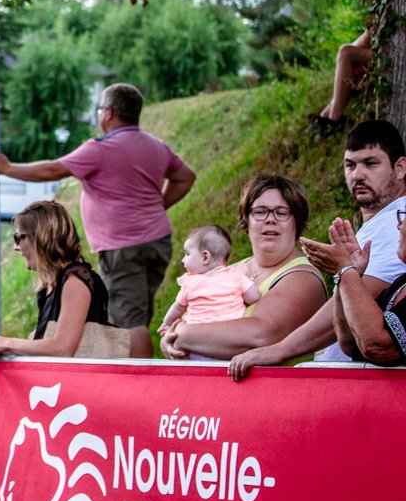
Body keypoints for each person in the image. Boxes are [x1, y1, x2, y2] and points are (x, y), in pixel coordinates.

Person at [0, 83, 197, 357]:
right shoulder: (155, 145)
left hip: (124, 245)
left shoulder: (102, 148)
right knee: (138, 310)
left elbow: (54, 169)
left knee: (129, 322)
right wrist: (156, 208)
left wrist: (7, 168)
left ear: (107, 113)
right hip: (157, 242)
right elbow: (185, 177)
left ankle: (139, 379)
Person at [227, 121, 406, 377]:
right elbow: (347, 313)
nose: (357, 175)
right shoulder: (379, 223)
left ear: (400, 168)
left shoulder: (395, 224)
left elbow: (364, 310)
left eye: (371, 163)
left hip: (363, 388)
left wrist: (281, 349)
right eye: (350, 165)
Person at [159, 175, 327, 365]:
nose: (270, 219)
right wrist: (168, 341)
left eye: (281, 212)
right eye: (260, 211)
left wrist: (181, 333)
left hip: (276, 390)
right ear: (246, 220)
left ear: (297, 221)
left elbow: (260, 336)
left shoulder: (303, 278)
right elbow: (188, 314)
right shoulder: (233, 270)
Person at [0, 201, 115, 359]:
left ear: (40, 238)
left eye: (18, 237)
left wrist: (3, 343)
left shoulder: (75, 281)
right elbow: (43, 343)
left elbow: (62, 348)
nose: (16, 247)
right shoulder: (51, 285)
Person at [323, 209, 406, 365]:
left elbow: (379, 347)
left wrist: (345, 271)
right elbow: (351, 342)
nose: (399, 225)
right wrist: (348, 275)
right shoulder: (401, 284)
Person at [158, 226, 261, 345]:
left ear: (205, 257)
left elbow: (177, 308)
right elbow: (253, 296)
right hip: (231, 339)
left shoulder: (191, 283)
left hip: (196, 340)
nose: (182, 260)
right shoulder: (235, 275)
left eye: (187, 253)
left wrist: (167, 324)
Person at [310, 0, 373, 137]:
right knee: (347, 53)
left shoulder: (386, 5)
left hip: (392, 58)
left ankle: (334, 119)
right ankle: (324, 118)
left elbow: (360, 45)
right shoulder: (377, 7)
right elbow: (363, 41)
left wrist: (346, 54)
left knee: (346, 52)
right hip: (380, 56)